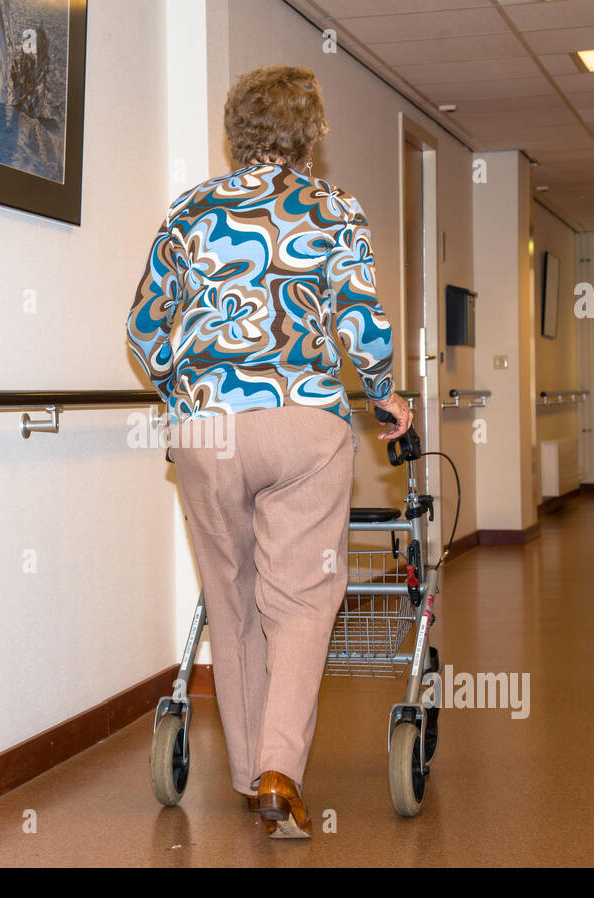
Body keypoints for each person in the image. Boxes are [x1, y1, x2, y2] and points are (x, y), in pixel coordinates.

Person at [126, 64, 412, 838]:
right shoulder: (334, 208)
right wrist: (387, 391)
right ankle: (281, 769)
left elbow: (145, 329)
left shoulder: (191, 209)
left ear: (235, 133)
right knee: (303, 598)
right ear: (310, 135)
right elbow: (359, 320)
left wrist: (184, 394)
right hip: (303, 422)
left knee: (233, 599)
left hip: (207, 430)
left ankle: (253, 771)